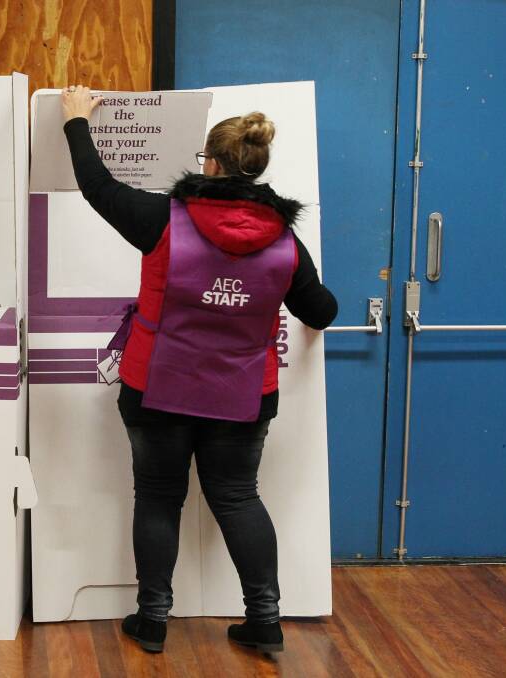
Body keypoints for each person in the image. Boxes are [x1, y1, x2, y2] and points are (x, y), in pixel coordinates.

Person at [59, 85, 338, 654]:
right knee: (238, 498)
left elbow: (99, 188)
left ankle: (153, 620)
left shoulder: (162, 219)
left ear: (208, 162)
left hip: (156, 389)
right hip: (243, 397)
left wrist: (77, 121)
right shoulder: (285, 242)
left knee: (159, 497)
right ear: (256, 171)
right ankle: (265, 620)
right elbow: (322, 311)